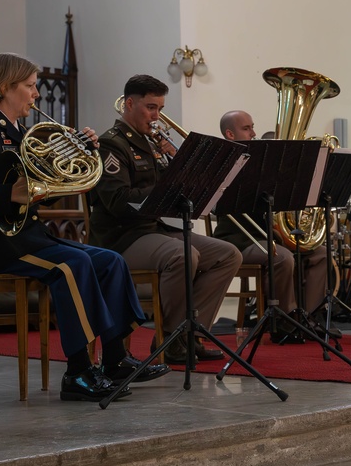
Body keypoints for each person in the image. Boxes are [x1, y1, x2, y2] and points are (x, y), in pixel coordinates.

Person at [0, 52, 169, 402]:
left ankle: (114, 359)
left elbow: (39, 191)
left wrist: (76, 152)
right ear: (5, 87)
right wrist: (8, 194)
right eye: (31, 87)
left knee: (109, 261)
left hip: (24, 239)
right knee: (72, 265)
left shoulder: (20, 132)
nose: (36, 95)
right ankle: (78, 371)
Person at [87, 75, 242, 364]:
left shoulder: (153, 143)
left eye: (160, 108)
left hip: (154, 230)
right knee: (184, 255)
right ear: (129, 104)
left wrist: (183, 168)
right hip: (122, 237)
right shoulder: (112, 144)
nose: (157, 116)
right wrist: (167, 187)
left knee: (227, 254)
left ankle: (191, 335)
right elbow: (118, 201)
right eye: (150, 107)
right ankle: (171, 338)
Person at [213, 110, 330, 341]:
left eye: (252, 126)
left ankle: (307, 318)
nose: (254, 133)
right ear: (230, 133)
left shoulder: (264, 163)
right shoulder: (224, 165)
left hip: (269, 237)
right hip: (239, 239)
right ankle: (284, 324)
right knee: (282, 257)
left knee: (322, 255)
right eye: (246, 128)